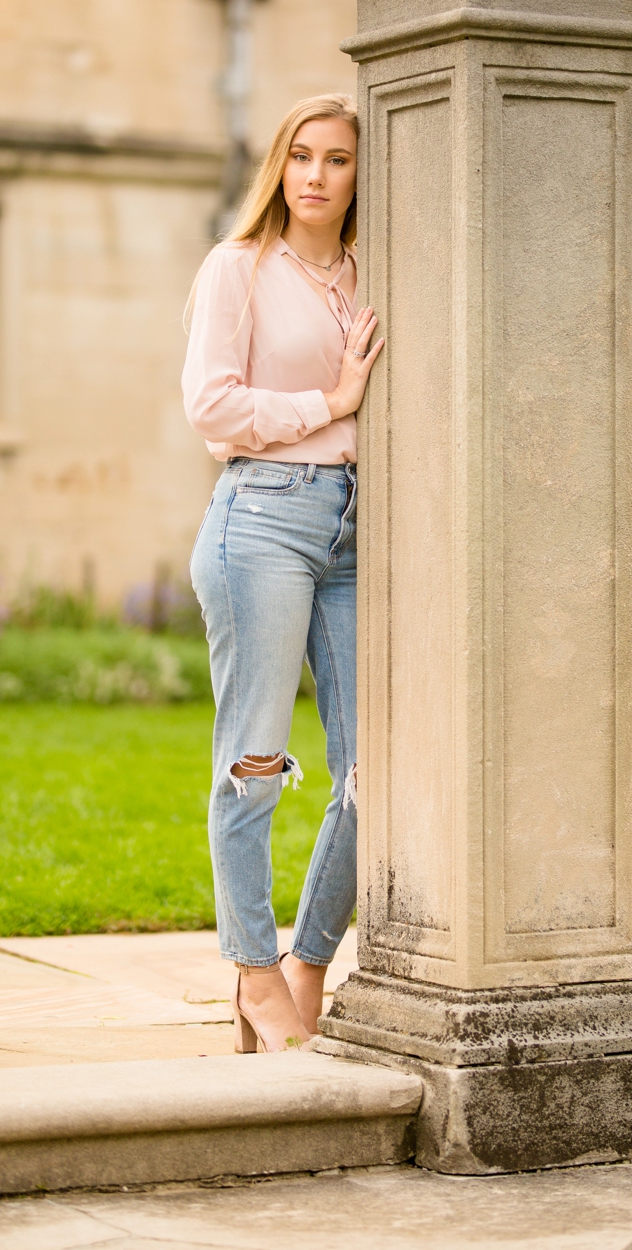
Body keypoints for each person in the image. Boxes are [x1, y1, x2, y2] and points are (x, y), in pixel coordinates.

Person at [182, 94, 384, 1053]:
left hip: (355, 531)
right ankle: (254, 976)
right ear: (280, 166)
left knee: (375, 768)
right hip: (259, 516)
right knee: (255, 760)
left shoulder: (369, 273)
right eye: (300, 156)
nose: (316, 174)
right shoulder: (239, 269)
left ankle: (308, 961)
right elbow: (212, 406)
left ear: (358, 174)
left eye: (337, 159)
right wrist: (331, 398)